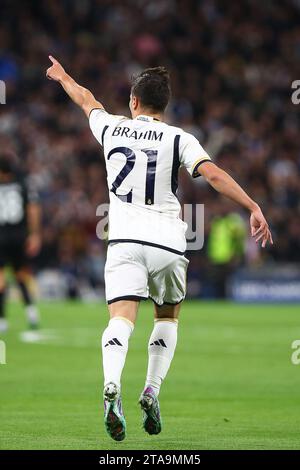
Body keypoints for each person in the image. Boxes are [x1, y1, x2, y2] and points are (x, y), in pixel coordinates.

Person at [46, 56, 273, 441]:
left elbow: (85, 99)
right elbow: (213, 175)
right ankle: (151, 389)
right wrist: (252, 206)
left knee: (120, 318)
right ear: (164, 106)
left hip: (123, 241)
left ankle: (111, 387)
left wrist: (63, 76)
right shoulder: (180, 138)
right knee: (166, 318)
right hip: (168, 243)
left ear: (133, 102)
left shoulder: (112, 127)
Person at [0, 152, 41, 333]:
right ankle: (31, 312)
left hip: (1, 236)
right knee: (21, 275)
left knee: (0, 279)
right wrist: (34, 234)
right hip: (19, 236)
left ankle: (2, 320)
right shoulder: (23, 184)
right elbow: (33, 209)